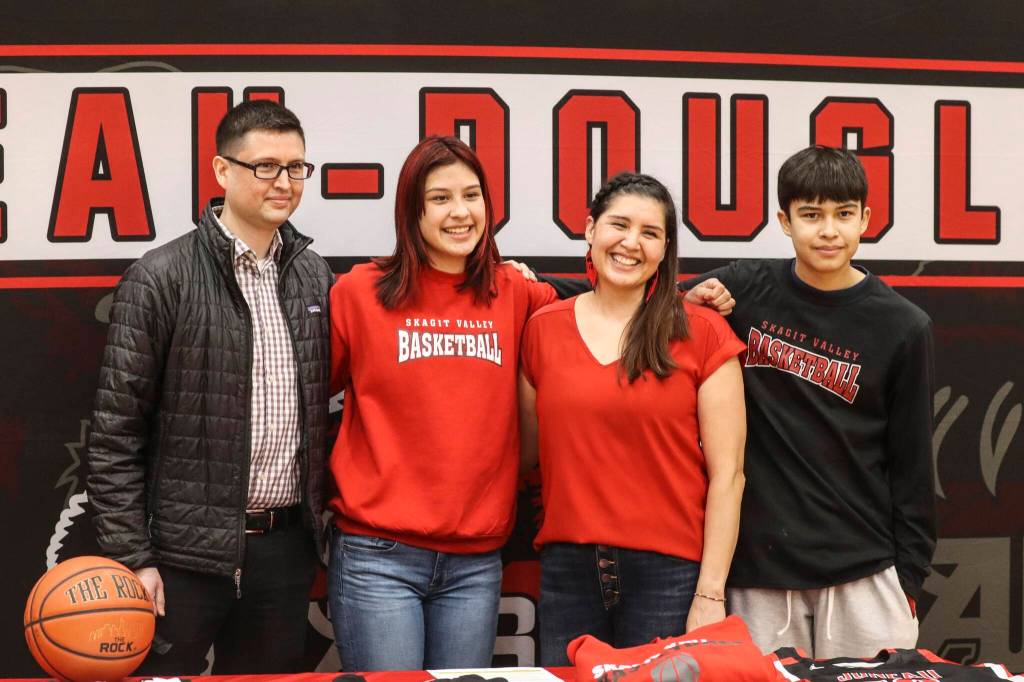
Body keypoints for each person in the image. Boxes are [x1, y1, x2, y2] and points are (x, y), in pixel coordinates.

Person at [86, 100, 334, 675]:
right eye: (265, 166)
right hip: (180, 557)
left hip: (284, 551)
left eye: (297, 168)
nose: (284, 182)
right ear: (222, 171)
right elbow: (115, 434)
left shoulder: (314, 275)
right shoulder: (160, 276)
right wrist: (133, 558)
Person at [686, 145, 937, 658]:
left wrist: (906, 581)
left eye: (844, 214)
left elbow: (912, 466)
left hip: (864, 576)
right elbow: (629, 299)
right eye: (811, 215)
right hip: (757, 576)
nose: (828, 230)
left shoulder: (903, 326)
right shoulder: (744, 288)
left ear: (866, 218)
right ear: (784, 220)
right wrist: (685, 301)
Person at [518, 172, 747, 666]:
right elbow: (526, 453)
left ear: (666, 249)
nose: (630, 243)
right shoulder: (541, 331)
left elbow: (728, 475)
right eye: (618, 224)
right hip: (568, 571)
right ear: (590, 229)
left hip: (670, 578)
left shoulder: (703, 331)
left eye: (650, 232)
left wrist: (710, 592)